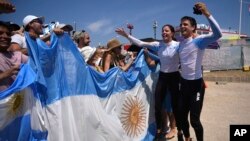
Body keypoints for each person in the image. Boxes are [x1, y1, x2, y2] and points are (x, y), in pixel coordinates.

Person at [116, 24, 181, 141]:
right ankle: (160, 130)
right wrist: (126, 35)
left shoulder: (178, 45)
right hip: (163, 77)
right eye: (163, 31)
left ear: (172, 33)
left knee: (172, 107)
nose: (164, 32)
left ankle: (175, 129)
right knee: (159, 105)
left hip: (174, 77)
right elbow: (140, 43)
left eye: (166, 31)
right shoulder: (158, 46)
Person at [178, 2, 222, 141]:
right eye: (181, 24)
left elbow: (218, 34)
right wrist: (148, 52)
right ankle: (187, 138)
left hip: (196, 85)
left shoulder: (199, 41)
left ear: (193, 28)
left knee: (194, 121)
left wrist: (206, 13)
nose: (182, 26)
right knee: (181, 116)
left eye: (185, 24)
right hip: (184, 84)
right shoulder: (180, 44)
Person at [0, 21, 28, 91]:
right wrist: (5, 74)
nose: (5, 36)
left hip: (17, 100)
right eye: (0, 33)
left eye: (8, 34)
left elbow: (38, 63)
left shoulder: (18, 55)